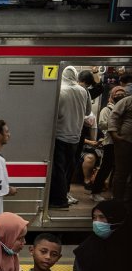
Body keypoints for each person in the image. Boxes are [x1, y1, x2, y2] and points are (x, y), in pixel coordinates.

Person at [49, 67, 90, 208]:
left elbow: (53, 112)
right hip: (76, 137)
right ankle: (65, 194)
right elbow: (88, 111)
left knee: (58, 168)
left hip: (60, 135)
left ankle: (60, 200)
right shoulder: (83, 91)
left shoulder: (60, 91)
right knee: (68, 167)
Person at [88, 84, 124, 199]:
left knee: (118, 169)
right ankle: (95, 192)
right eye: (117, 94)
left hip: (122, 143)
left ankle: (115, 192)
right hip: (110, 142)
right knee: (105, 168)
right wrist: (116, 124)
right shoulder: (107, 109)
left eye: (122, 94)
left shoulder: (125, 109)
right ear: (112, 96)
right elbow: (102, 124)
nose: (120, 96)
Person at [108, 83, 132, 203]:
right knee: (121, 173)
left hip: (124, 140)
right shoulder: (127, 101)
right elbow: (113, 116)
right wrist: (114, 134)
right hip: (125, 141)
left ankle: (127, 201)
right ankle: (117, 200)